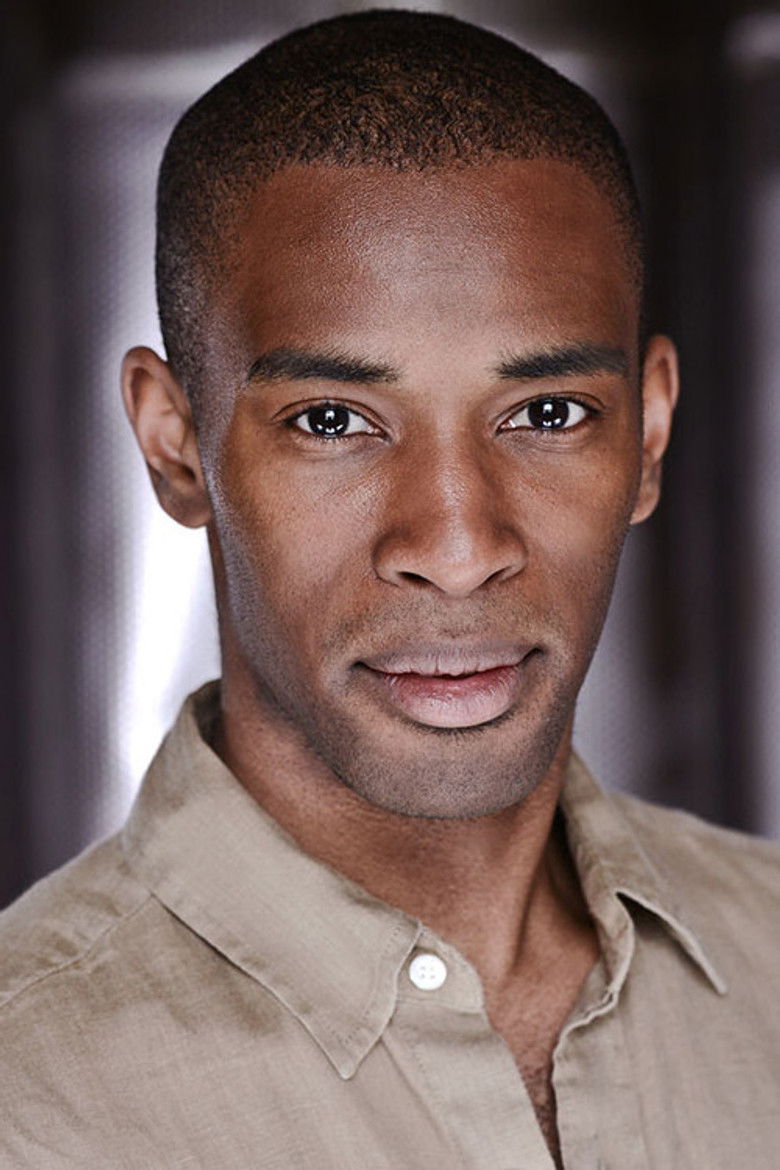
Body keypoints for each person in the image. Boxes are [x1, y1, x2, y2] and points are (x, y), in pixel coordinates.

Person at [1, 9, 778, 1168]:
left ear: (650, 433)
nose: (458, 548)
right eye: (333, 421)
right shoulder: (25, 1097)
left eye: (548, 413)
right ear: (175, 445)